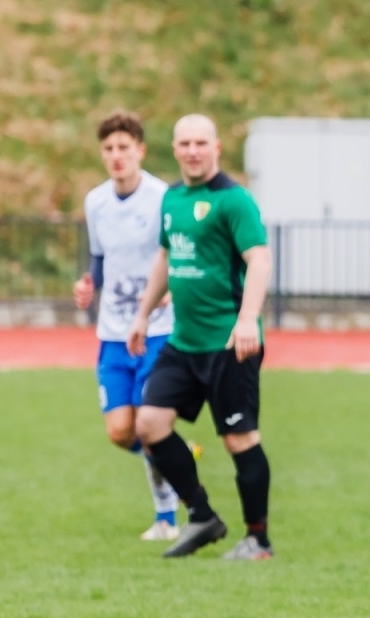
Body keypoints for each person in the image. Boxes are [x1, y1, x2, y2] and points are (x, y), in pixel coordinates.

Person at [128, 114, 275, 560]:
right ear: (174, 149)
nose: (193, 150)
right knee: (149, 424)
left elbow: (260, 259)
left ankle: (258, 540)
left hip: (230, 344)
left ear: (216, 148)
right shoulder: (171, 198)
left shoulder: (233, 200)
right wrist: (141, 315)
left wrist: (247, 318)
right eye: (184, 143)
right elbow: (165, 261)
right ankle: (203, 515)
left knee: (239, 440)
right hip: (183, 341)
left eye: (201, 142)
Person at [72, 110, 184, 541]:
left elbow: (179, 253)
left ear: (140, 150)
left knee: (146, 426)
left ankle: (166, 520)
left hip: (157, 330)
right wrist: (88, 284)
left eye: (124, 147)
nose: (116, 156)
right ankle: (180, 458)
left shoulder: (162, 198)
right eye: (108, 149)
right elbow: (100, 261)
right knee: (120, 431)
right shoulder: (96, 201)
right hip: (112, 332)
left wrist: (172, 290)